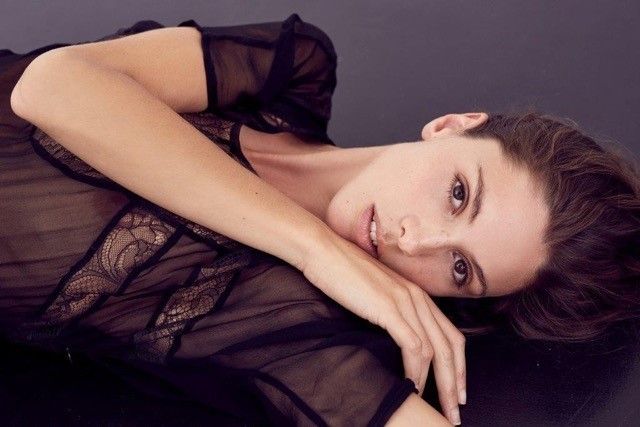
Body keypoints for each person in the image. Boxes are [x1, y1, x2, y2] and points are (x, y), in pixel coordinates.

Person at [1, 12, 638, 426]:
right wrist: (316, 247)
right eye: (457, 194)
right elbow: (51, 86)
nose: (415, 240)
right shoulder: (290, 75)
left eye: (460, 269)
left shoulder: (289, 320)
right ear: (453, 125)